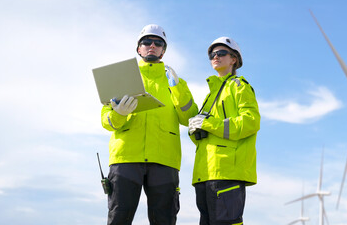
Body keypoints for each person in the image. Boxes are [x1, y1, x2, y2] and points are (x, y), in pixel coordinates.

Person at [101, 24, 198, 225]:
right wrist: (119, 114)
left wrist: (177, 88)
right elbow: (106, 121)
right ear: (139, 48)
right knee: (119, 217)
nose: (152, 45)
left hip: (164, 159)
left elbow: (189, 117)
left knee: (164, 219)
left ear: (164, 50)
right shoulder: (122, 77)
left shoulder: (176, 82)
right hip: (126, 157)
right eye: (146, 42)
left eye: (158, 43)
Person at [188, 37, 261, 225]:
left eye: (221, 53)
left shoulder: (239, 86)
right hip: (204, 173)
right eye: (212, 54)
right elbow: (206, 136)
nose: (216, 57)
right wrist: (195, 130)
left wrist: (210, 124)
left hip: (227, 171)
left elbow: (250, 122)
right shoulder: (210, 95)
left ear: (233, 59)